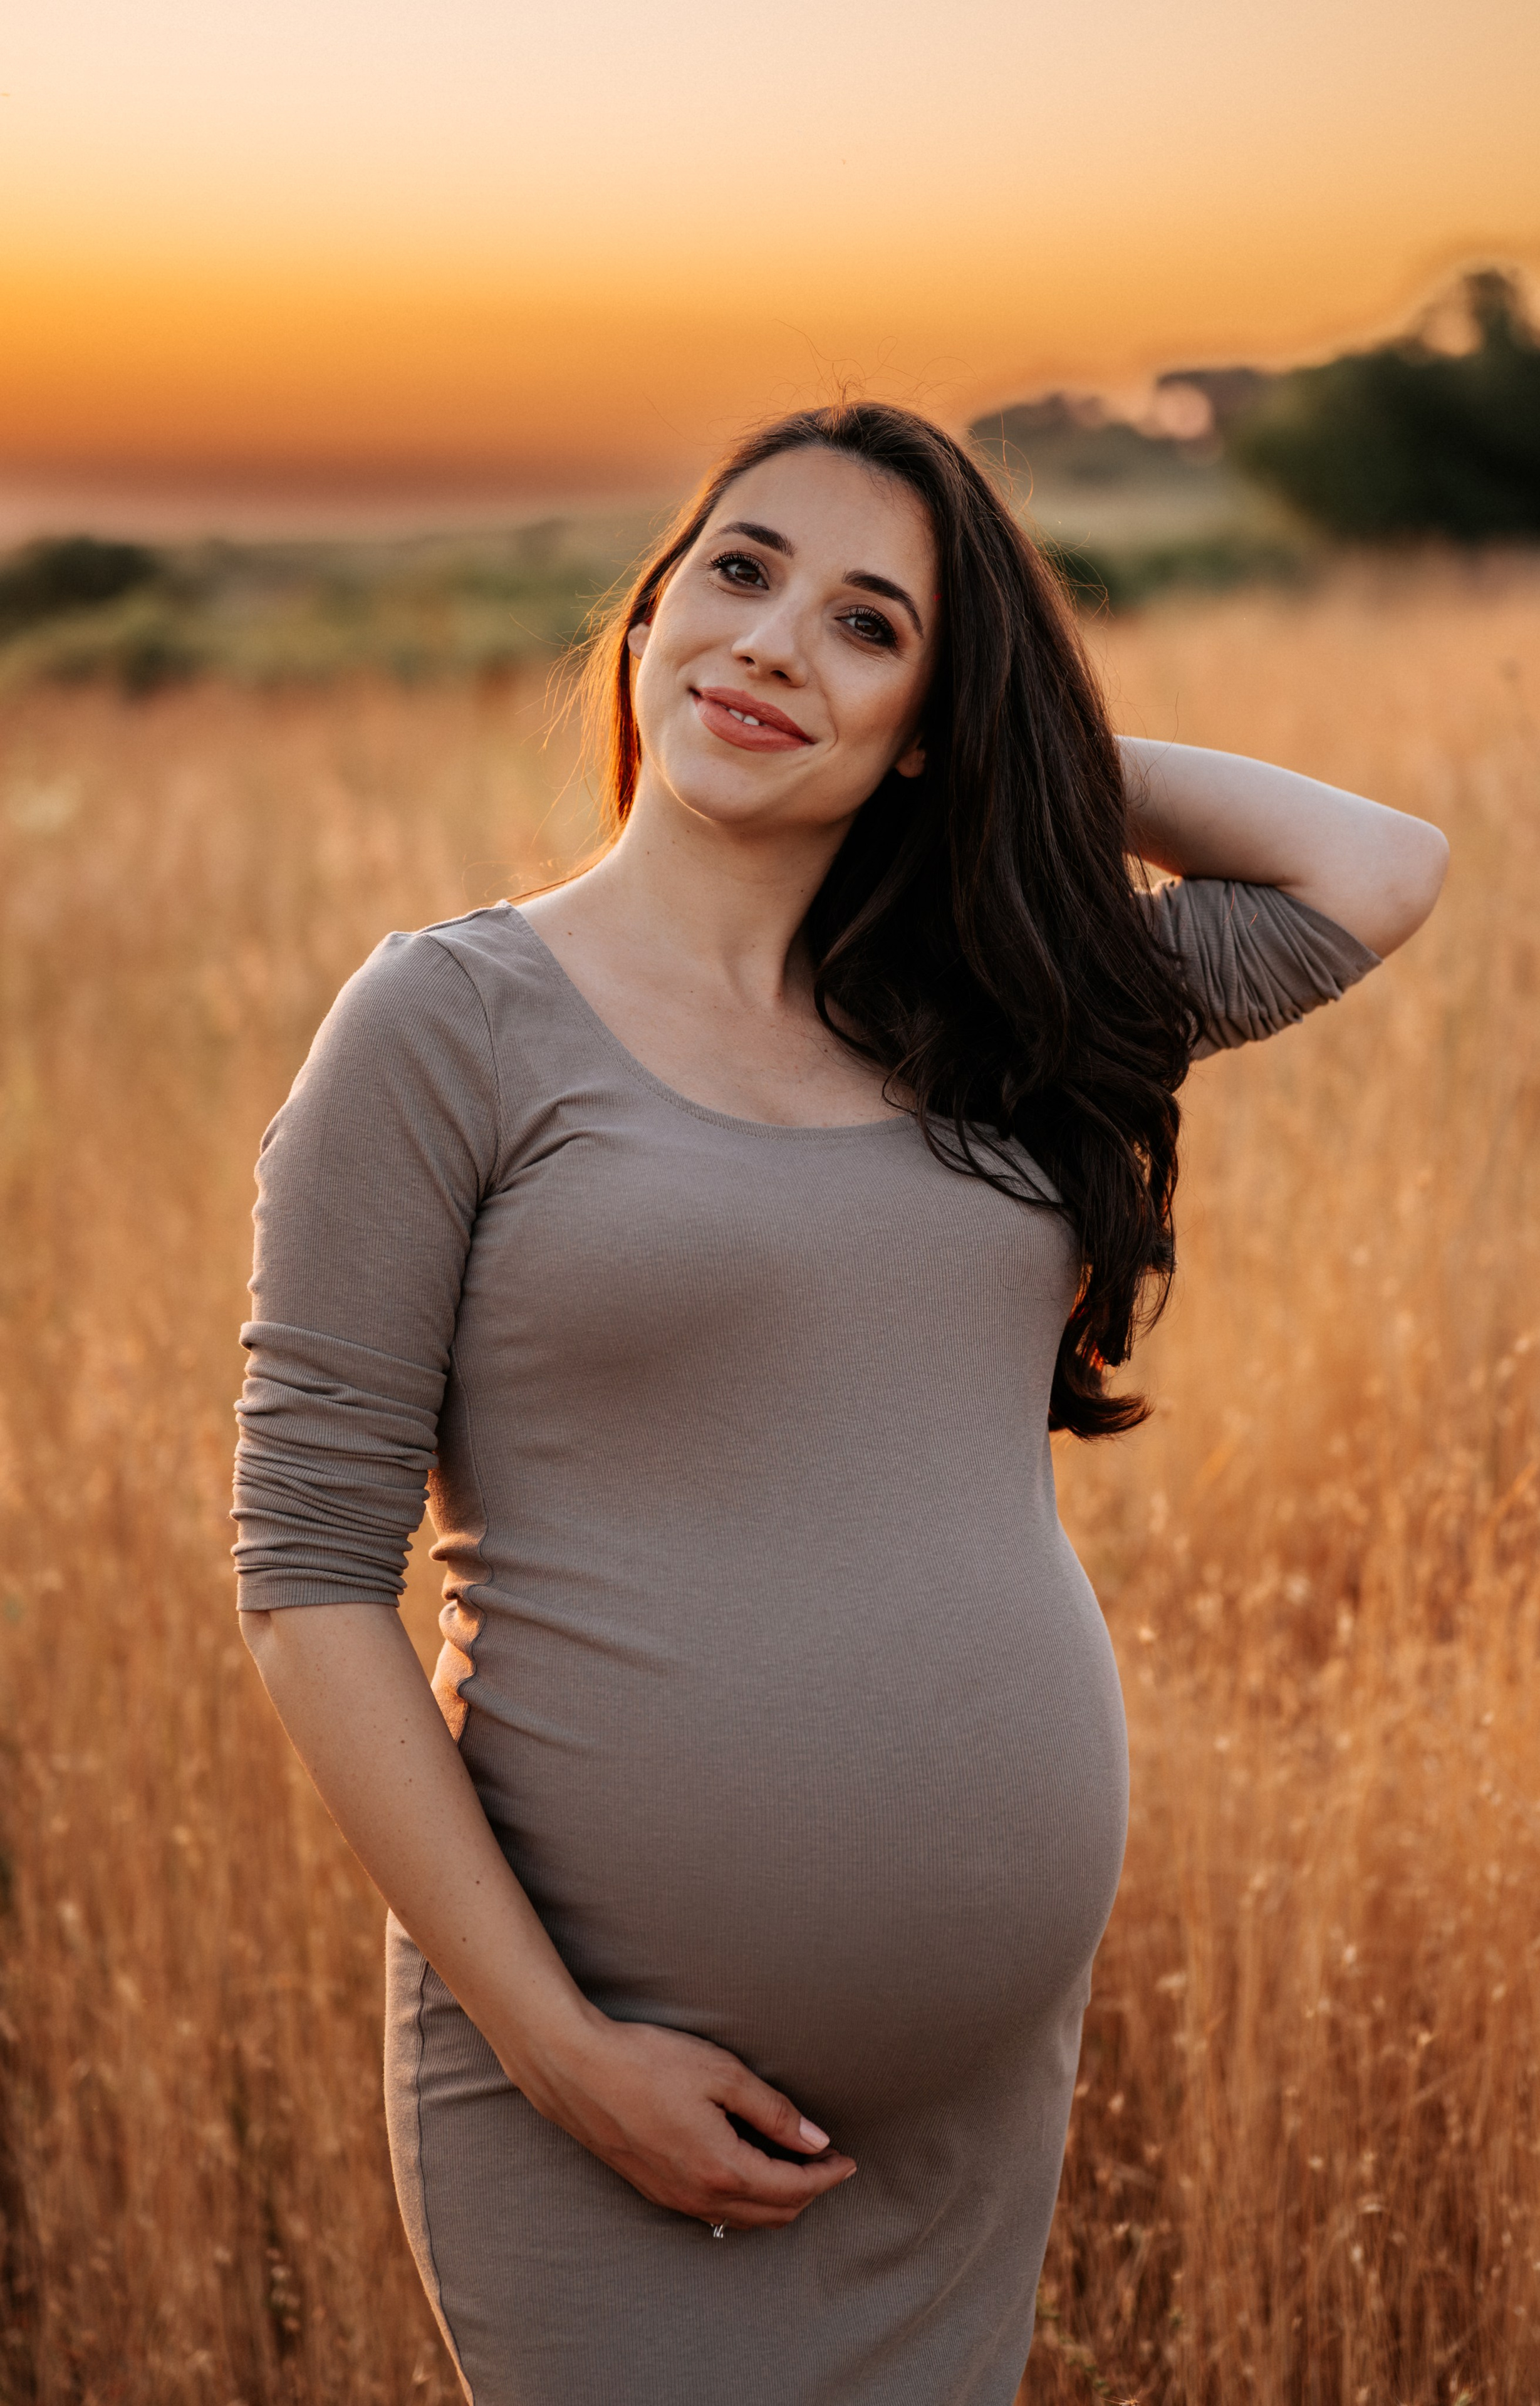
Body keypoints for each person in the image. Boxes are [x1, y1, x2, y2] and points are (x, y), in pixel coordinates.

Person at [232, 402, 1447, 2405]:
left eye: (873, 629)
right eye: (740, 573)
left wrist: (1011, 769)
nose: (778, 642)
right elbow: (303, 1577)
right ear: (645, 622)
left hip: (965, 2109)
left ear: (930, 730)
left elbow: (1374, 868)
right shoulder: (446, 1024)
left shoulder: (988, 1024)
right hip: (597, 2097)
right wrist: (560, 2050)